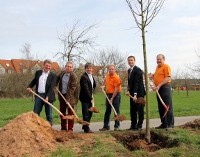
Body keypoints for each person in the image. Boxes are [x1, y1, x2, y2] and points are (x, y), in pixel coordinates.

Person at [27, 59, 57, 126]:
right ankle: (35, 127)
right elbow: (34, 80)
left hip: (49, 97)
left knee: (49, 114)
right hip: (39, 95)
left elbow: (51, 87)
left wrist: (47, 97)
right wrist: (30, 86)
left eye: (49, 66)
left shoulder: (53, 75)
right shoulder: (38, 73)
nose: (48, 67)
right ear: (43, 65)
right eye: (47, 65)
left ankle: (50, 128)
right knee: (35, 113)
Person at [149, 54, 174, 129]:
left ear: (164, 59)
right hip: (159, 89)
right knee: (161, 107)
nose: (158, 61)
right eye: (157, 59)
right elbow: (157, 76)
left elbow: (167, 78)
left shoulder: (166, 66)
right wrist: (152, 76)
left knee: (167, 106)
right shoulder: (157, 67)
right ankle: (164, 124)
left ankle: (170, 124)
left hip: (165, 88)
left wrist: (159, 85)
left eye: (160, 59)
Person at [56, 61, 78, 131]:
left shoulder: (74, 76)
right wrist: (55, 84)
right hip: (62, 95)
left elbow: (72, 89)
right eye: (67, 66)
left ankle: (70, 129)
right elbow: (57, 78)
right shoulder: (62, 73)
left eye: (70, 67)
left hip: (70, 97)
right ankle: (63, 128)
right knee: (62, 113)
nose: (69, 68)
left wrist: (68, 100)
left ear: (72, 68)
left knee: (70, 114)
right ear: (65, 67)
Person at [99, 64, 122, 131]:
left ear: (115, 70)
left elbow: (116, 89)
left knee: (116, 111)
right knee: (107, 111)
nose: (111, 70)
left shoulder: (116, 78)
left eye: (112, 69)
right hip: (108, 94)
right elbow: (105, 80)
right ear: (108, 70)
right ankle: (106, 126)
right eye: (110, 69)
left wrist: (112, 99)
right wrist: (102, 85)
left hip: (116, 95)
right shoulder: (107, 75)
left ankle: (116, 126)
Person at [127, 56, 146, 130]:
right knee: (133, 109)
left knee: (140, 109)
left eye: (131, 60)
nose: (130, 62)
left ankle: (139, 125)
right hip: (132, 93)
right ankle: (133, 125)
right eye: (129, 60)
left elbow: (136, 83)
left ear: (134, 61)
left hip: (139, 93)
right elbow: (130, 82)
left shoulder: (138, 70)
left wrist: (135, 94)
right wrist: (129, 90)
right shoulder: (129, 70)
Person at [79, 63, 96, 133]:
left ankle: (85, 125)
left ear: (92, 69)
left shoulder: (91, 76)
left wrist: (92, 93)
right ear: (85, 69)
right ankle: (86, 128)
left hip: (90, 97)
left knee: (90, 112)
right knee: (86, 113)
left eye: (90, 68)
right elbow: (85, 89)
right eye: (88, 68)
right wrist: (90, 98)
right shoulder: (83, 77)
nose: (89, 69)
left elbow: (93, 85)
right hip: (85, 98)